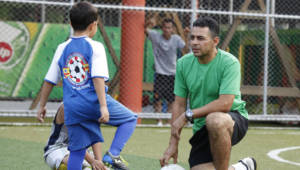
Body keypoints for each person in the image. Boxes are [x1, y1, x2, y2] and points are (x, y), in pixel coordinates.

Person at [37, 2, 137, 170]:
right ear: (93, 25)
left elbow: (49, 80)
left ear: (70, 24)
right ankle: (112, 154)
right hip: (93, 103)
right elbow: (98, 78)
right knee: (130, 119)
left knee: (77, 150)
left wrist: (42, 105)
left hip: (72, 107)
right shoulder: (95, 46)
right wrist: (103, 106)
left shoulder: (62, 48)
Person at [159, 17, 257, 170]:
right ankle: (242, 168)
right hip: (202, 125)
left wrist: (187, 115)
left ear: (215, 41)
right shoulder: (183, 64)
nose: (194, 42)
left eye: (201, 38)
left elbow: (225, 103)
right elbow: (179, 104)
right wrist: (173, 144)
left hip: (232, 118)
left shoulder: (229, 63)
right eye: (192, 38)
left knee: (215, 120)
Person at [145, 18, 188, 126]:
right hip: (159, 74)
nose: (167, 30)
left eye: (169, 28)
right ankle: (159, 121)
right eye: (165, 27)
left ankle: (169, 122)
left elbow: (186, 50)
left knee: (171, 100)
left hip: (172, 74)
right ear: (162, 28)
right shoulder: (156, 36)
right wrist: (149, 23)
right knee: (157, 99)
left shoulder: (176, 39)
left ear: (172, 29)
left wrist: (186, 36)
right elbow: (144, 29)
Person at [44, 104, 106, 170]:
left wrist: (99, 161)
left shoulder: (91, 108)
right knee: (79, 164)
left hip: (83, 150)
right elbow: (77, 142)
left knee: (105, 167)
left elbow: (95, 137)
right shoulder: (66, 108)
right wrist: (92, 161)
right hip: (57, 148)